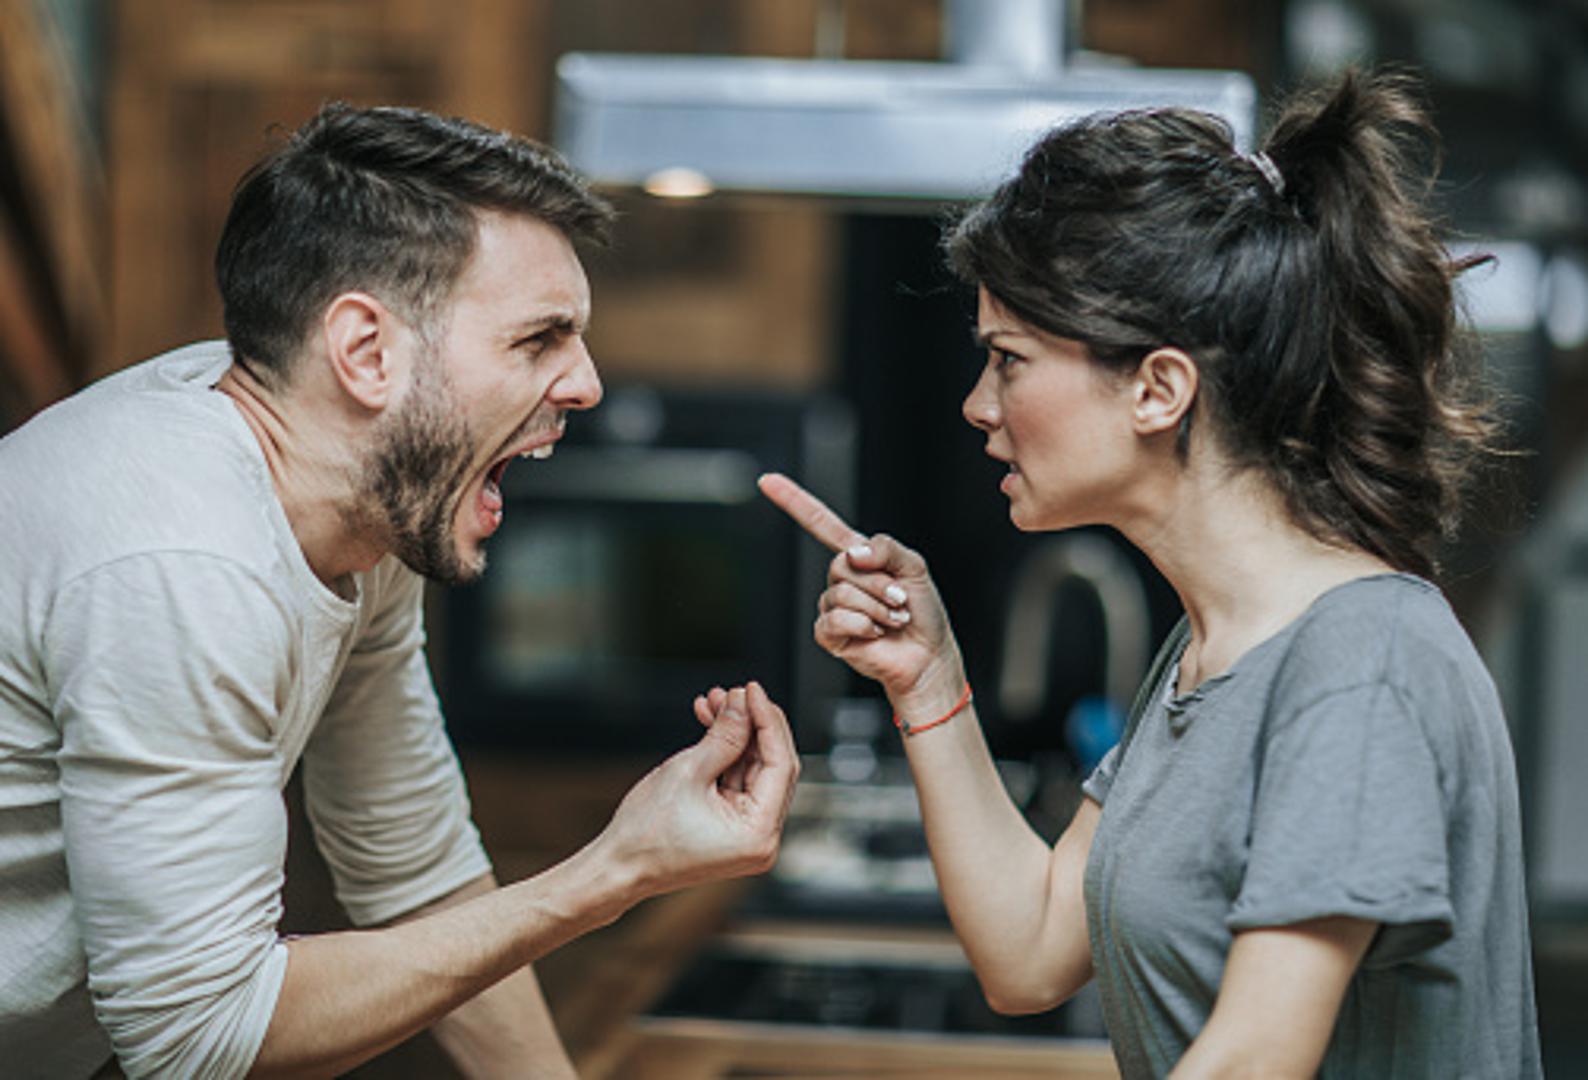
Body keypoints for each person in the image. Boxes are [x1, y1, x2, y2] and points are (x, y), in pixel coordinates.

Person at [755, 68, 1541, 1078]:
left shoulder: (1360, 665)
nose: (978, 405)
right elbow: (1030, 951)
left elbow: (1254, 1059)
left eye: (1009, 359)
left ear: (1159, 389)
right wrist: (928, 678)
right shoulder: (1208, 654)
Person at [0, 103, 798, 1078]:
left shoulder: (351, 497)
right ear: (367, 352)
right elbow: (199, 1038)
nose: (586, 384)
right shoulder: (183, 559)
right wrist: (615, 870)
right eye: (538, 339)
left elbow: (414, 864)